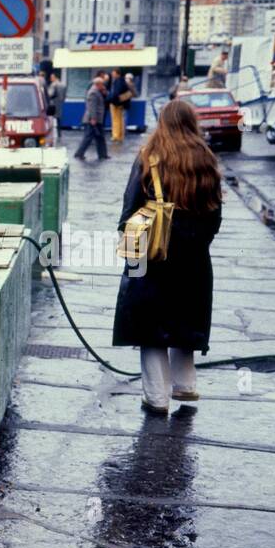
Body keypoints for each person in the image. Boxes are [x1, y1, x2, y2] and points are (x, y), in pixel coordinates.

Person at [112, 98, 223, 415]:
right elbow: (215, 215)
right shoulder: (206, 159)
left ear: (162, 123)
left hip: (153, 255)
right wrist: (198, 240)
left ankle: (157, 397)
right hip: (195, 258)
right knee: (186, 319)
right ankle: (185, 386)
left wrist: (132, 251)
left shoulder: (149, 158)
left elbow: (129, 211)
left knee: (151, 326)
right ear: (192, 123)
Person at [74, 74, 109, 160]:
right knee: (88, 138)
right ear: (98, 84)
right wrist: (93, 118)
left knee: (100, 137)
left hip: (97, 119)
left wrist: (104, 92)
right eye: (102, 84)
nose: (103, 86)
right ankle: (79, 154)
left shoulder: (98, 92)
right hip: (92, 119)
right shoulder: (93, 92)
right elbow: (92, 107)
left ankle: (103, 154)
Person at [108, 67, 132, 142]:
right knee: (121, 120)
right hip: (121, 103)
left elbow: (115, 93)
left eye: (113, 73)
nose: (112, 74)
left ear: (117, 73)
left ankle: (115, 135)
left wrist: (110, 100)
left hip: (116, 103)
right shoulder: (122, 81)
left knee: (115, 120)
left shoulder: (117, 81)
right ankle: (121, 135)